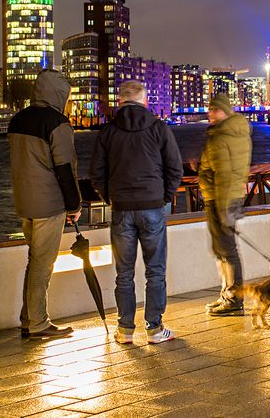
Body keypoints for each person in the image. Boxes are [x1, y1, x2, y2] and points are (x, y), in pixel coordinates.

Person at [90, 80, 183, 344]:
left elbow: (96, 172)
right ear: (145, 102)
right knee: (155, 270)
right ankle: (154, 328)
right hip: (152, 206)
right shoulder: (158, 128)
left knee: (124, 273)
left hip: (121, 209)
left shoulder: (108, 131)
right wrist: (163, 196)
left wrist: (109, 196)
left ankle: (125, 329)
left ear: (119, 102)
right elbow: (174, 168)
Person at [8, 69, 81, 340]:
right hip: (48, 204)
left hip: (24, 202)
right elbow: (64, 168)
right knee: (43, 264)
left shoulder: (18, 119)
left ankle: (29, 319)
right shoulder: (57, 123)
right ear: (58, 93)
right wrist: (74, 205)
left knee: (33, 261)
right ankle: (38, 323)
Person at [200, 93, 252, 316]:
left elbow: (223, 174)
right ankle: (227, 294)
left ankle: (233, 298)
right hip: (227, 197)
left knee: (226, 250)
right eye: (209, 109)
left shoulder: (221, 137)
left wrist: (222, 208)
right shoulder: (234, 133)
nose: (210, 114)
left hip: (220, 199)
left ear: (225, 110)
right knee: (222, 249)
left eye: (215, 109)